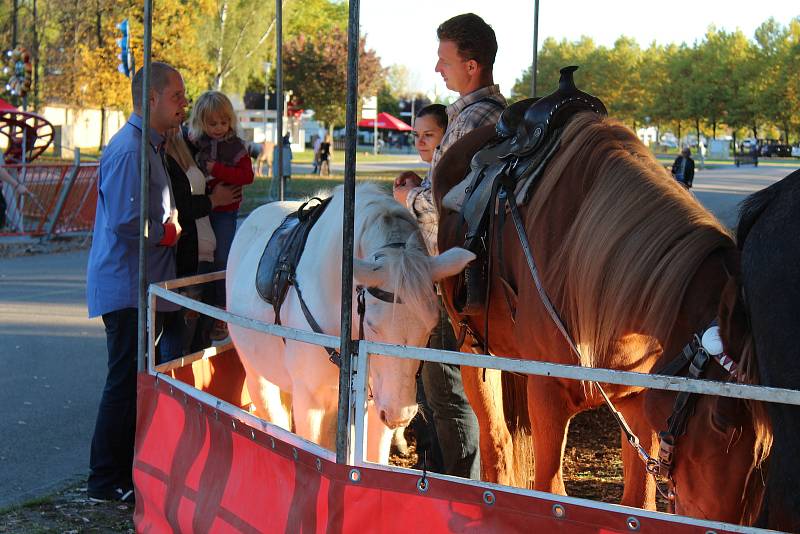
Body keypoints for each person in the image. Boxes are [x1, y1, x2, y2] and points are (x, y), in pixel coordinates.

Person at [392, 13, 507, 481]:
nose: (438, 68)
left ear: (472, 65)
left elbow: (452, 204)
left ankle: (454, 487)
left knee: (446, 389)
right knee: (441, 387)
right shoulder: (476, 115)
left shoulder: (476, 119)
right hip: (451, 272)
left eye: (445, 60)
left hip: (450, 276)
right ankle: (444, 476)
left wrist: (408, 198)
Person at [85, 62, 188, 503]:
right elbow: (128, 223)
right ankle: (105, 480)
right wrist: (166, 232)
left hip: (139, 285)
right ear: (151, 100)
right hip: (127, 286)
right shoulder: (131, 149)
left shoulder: (149, 145)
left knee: (132, 382)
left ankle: (118, 475)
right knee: (124, 383)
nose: (183, 104)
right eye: (177, 96)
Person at [161, 127, 241, 360]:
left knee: (199, 336)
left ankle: (190, 388)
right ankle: (175, 387)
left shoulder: (185, 147)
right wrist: (213, 200)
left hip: (205, 252)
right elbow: (182, 207)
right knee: (183, 336)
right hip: (190, 255)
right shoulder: (165, 156)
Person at [187, 91, 254, 342]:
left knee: (222, 258)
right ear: (202, 123)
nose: (218, 128)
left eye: (223, 123)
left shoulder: (235, 147)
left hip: (225, 212)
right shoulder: (196, 142)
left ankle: (221, 311)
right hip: (203, 210)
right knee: (202, 257)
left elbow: (246, 177)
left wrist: (219, 170)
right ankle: (199, 306)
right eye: (212, 123)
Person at [271, 132, 293, 198]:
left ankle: (280, 194)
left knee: (279, 182)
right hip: (285, 169)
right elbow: (291, 157)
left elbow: (274, 159)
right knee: (283, 182)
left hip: (279, 169)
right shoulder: (287, 149)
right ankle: (282, 194)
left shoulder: (276, 149)